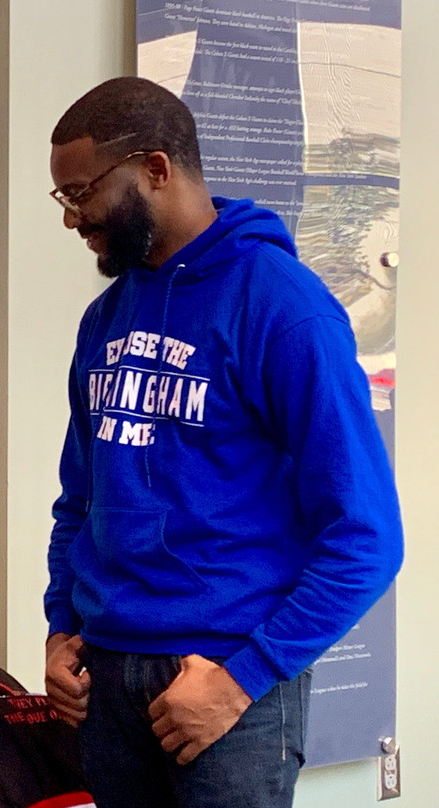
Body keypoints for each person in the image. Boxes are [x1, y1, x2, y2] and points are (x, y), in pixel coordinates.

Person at [42, 77, 403, 808]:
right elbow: (80, 501)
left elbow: (368, 538)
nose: (74, 219)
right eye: (65, 199)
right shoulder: (104, 319)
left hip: (227, 688)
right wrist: (60, 628)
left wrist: (242, 678)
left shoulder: (286, 311)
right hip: (107, 683)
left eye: (82, 193)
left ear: (155, 169)